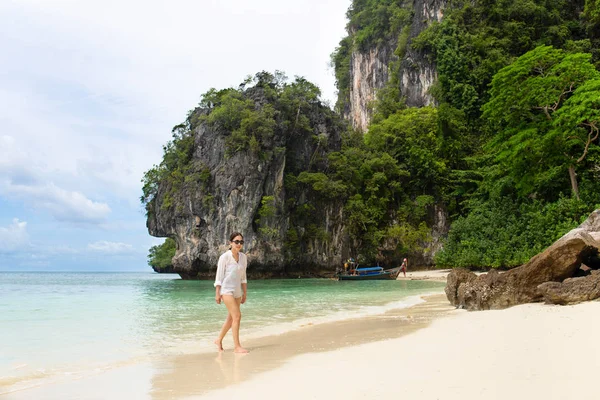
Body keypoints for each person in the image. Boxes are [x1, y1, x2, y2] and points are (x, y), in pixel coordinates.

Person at [214, 232, 249, 354]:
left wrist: (244, 293)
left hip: (237, 291)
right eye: (236, 241)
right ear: (230, 243)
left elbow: (243, 277)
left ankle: (218, 340)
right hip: (226, 290)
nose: (239, 244)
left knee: (231, 319)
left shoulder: (243, 257)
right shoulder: (225, 257)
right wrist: (218, 293)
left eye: (241, 242)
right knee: (237, 316)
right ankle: (237, 346)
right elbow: (219, 277)